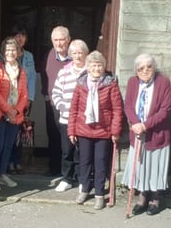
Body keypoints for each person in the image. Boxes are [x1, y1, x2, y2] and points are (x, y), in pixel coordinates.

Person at [67, 51, 123, 209]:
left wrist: (115, 131)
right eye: (93, 65)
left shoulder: (110, 84)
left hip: (103, 131)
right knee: (84, 162)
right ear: (88, 67)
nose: (96, 68)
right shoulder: (81, 84)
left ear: (104, 67)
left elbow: (117, 109)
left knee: (100, 162)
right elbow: (74, 109)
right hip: (83, 129)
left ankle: (99, 193)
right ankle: (84, 189)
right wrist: (71, 130)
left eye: (99, 65)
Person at [123, 54, 171, 216]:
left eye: (148, 67)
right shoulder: (132, 82)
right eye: (141, 68)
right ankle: (142, 197)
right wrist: (136, 123)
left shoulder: (163, 82)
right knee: (141, 166)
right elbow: (128, 106)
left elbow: (165, 110)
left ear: (154, 68)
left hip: (156, 133)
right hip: (138, 133)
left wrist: (145, 125)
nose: (145, 71)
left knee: (155, 167)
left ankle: (155, 198)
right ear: (136, 70)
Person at [0, 37, 29, 192]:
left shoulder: (22, 71)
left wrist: (16, 111)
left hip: (15, 115)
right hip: (1, 114)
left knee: (8, 146)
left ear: (18, 52)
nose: (10, 52)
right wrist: (8, 110)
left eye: (13, 49)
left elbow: (24, 94)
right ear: (3, 52)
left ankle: (2, 174)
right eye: (7, 50)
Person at [51, 39, 89, 192]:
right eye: (74, 53)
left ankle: (81, 179)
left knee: (81, 151)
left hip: (83, 120)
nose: (78, 56)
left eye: (80, 53)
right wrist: (62, 106)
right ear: (70, 55)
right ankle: (66, 178)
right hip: (66, 117)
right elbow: (55, 93)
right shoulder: (64, 71)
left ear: (86, 54)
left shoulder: (89, 72)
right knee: (67, 150)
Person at [41, 26, 72, 177]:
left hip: (71, 105)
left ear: (68, 40)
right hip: (52, 102)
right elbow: (44, 75)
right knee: (53, 135)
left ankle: (69, 171)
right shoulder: (49, 54)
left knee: (68, 137)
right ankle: (54, 169)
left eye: (62, 39)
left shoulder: (75, 55)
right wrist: (46, 94)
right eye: (56, 40)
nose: (59, 43)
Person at [8, 25, 36, 174]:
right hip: (10, 100)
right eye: (17, 35)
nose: (20, 39)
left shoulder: (29, 56)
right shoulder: (6, 55)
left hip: (24, 99)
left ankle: (17, 161)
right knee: (10, 131)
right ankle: (8, 162)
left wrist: (30, 97)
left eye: (23, 36)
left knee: (21, 131)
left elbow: (31, 79)